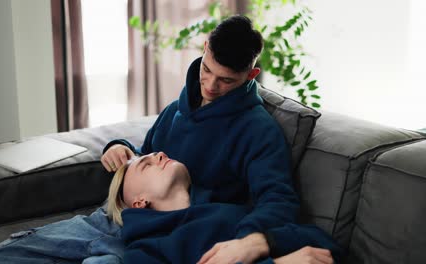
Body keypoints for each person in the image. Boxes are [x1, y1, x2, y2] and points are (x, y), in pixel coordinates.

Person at [101, 15, 306, 263]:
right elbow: (146, 157)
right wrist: (120, 147)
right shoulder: (174, 110)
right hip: (132, 223)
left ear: (251, 75)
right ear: (205, 48)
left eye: (226, 80)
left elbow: (278, 200)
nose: (210, 85)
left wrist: (247, 243)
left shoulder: (258, 130)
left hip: (185, 236)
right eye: (207, 69)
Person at [107, 152, 341, 264]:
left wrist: (264, 242)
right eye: (145, 165)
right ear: (139, 202)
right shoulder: (144, 251)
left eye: (155, 154)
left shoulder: (234, 210)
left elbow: (326, 245)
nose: (158, 154)